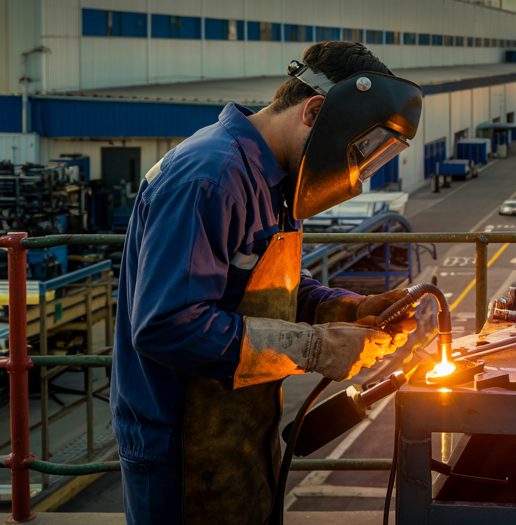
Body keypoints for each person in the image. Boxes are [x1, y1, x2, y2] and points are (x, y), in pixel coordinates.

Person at [110, 42, 424, 525]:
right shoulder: (211, 176)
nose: (358, 167)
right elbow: (165, 325)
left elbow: (275, 287)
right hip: (179, 446)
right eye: (361, 148)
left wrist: (345, 309)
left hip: (240, 431)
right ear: (314, 111)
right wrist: (316, 349)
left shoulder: (274, 178)